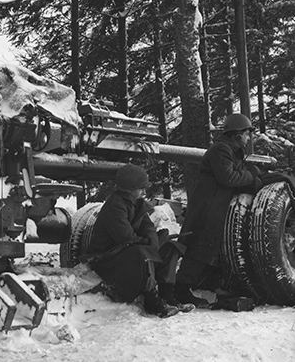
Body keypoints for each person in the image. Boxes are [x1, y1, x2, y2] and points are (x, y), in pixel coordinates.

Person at [173, 113, 263, 307]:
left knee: (211, 246)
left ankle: (204, 282)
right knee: (200, 245)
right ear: (238, 134)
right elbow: (228, 178)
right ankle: (181, 287)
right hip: (209, 206)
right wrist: (251, 177)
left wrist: (249, 174)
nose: (248, 139)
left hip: (216, 204)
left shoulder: (230, 150)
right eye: (247, 134)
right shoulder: (221, 150)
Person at [84, 163, 192, 318]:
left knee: (171, 247)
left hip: (128, 251)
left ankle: (168, 295)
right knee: (143, 253)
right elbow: (125, 237)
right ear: (129, 188)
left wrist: (154, 241)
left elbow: (147, 227)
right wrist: (148, 243)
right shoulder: (115, 206)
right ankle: (152, 301)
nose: (143, 191)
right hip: (108, 258)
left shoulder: (137, 204)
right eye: (140, 188)